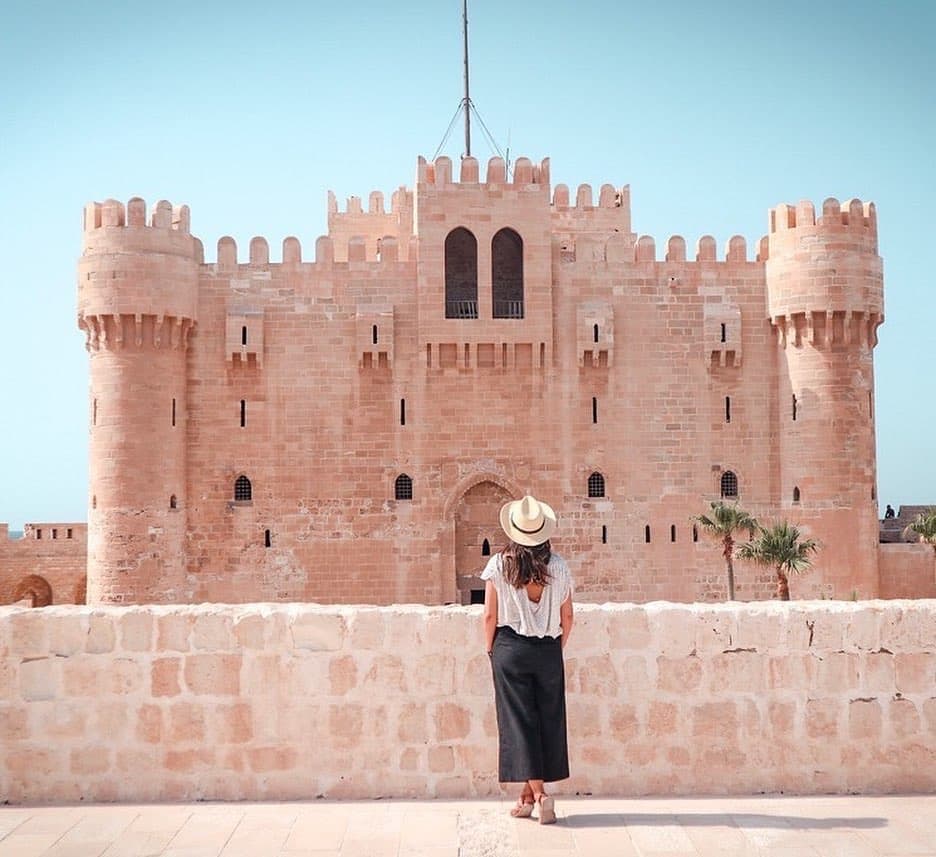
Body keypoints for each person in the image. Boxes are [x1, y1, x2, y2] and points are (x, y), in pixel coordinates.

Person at [481, 494, 574, 825]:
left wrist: (492, 650)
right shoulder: (559, 567)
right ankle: (526, 796)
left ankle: (539, 795)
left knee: (519, 722)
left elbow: (490, 615)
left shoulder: (499, 564)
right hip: (548, 650)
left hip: (510, 649)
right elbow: (568, 617)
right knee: (546, 720)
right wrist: (553, 649)